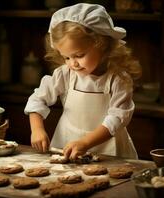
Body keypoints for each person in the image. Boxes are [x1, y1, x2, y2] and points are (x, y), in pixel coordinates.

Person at [24, 3, 142, 160]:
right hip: (67, 143)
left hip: (109, 149)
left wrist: (86, 142)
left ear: (102, 44)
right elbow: (38, 100)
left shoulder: (118, 79)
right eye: (66, 57)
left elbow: (117, 118)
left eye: (79, 55)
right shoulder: (65, 74)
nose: (73, 63)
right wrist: (37, 129)